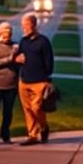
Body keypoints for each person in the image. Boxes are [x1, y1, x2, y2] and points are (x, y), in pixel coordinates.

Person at [14, 12, 54, 146]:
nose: (23, 28)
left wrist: (48, 78)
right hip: (24, 80)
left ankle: (44, 127)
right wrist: (17, 59)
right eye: (22, 25)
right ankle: (32, 135)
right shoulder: (23, 41)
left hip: (39, 81)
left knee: (36, 108)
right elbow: (18, 56)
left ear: (34, 25)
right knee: (27, 109)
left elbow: (49, 61)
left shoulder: (43, 41)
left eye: (26, 25)